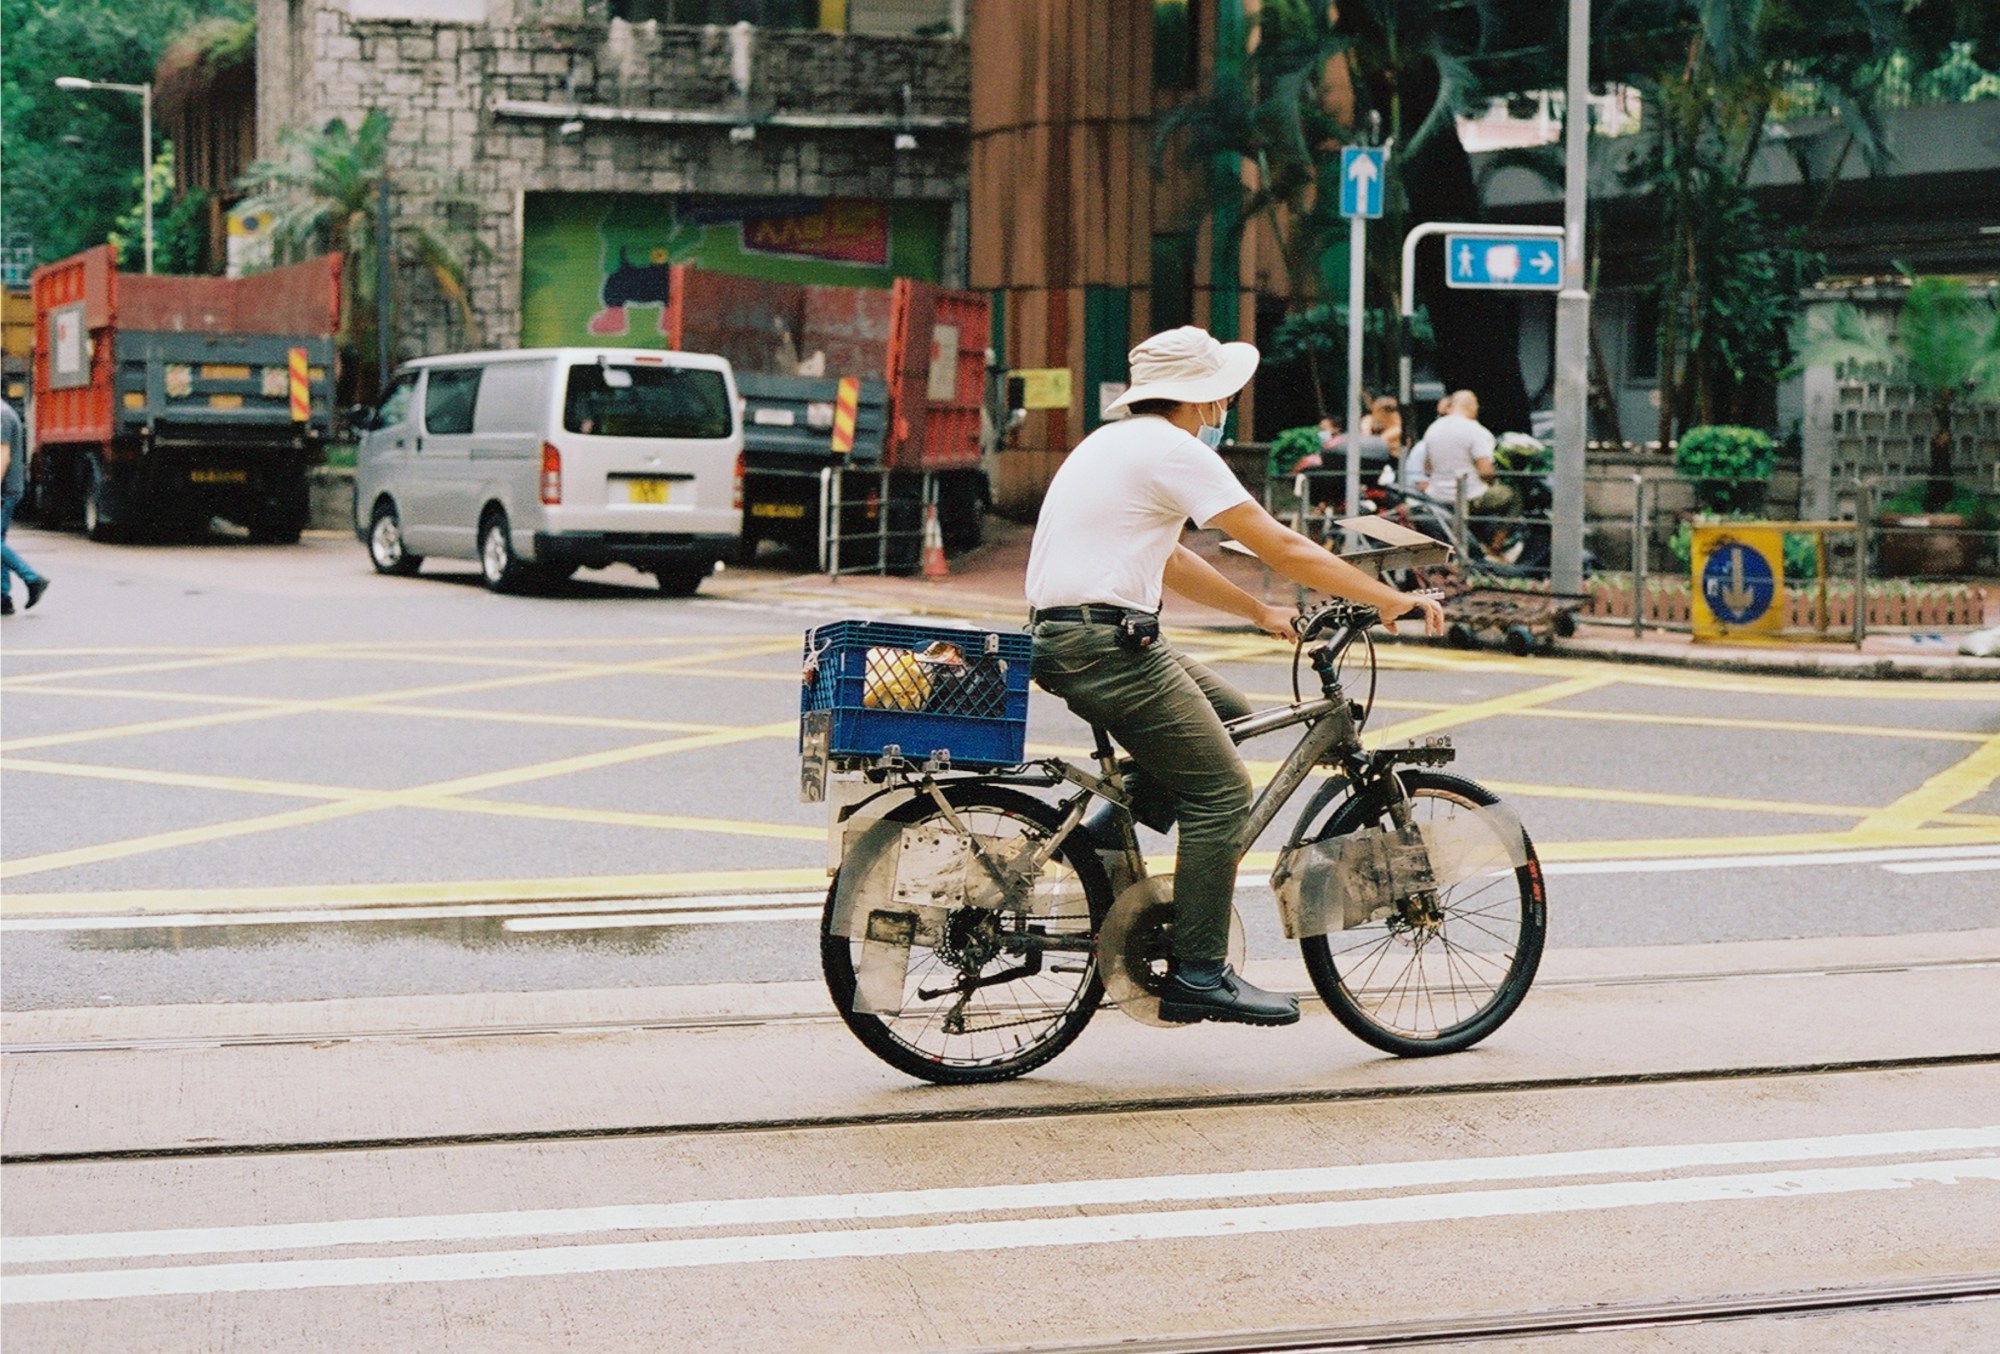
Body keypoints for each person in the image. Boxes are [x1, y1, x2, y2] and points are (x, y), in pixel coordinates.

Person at [1025, 326, 1445, 1028]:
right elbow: (1278, 542)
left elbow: (1172, 559)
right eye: (1223, 395)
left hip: (1075, 635)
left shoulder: (1111, 444)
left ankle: (1100, 842)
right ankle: (1199, 971)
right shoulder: (1174, 449)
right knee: (1221, 791)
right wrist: (1390, 598)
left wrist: (1257, 610)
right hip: (1105, 644)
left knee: (1228, 707)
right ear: (1207, 400)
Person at [1416, 389, 1517, 525]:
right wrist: (1493, 482)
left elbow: (1427, 468)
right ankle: (1495, 545)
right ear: (1472, 406)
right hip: (1469, 498)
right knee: (1514, 497)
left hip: (1438, 496)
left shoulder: (1432, 428)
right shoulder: (1476, 431)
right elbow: (1485, 472)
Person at [2, 400, 49, 618]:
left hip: (4, 491)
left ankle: (32, 579)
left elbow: (3, 455)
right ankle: (3, 598)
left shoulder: (1, 414)